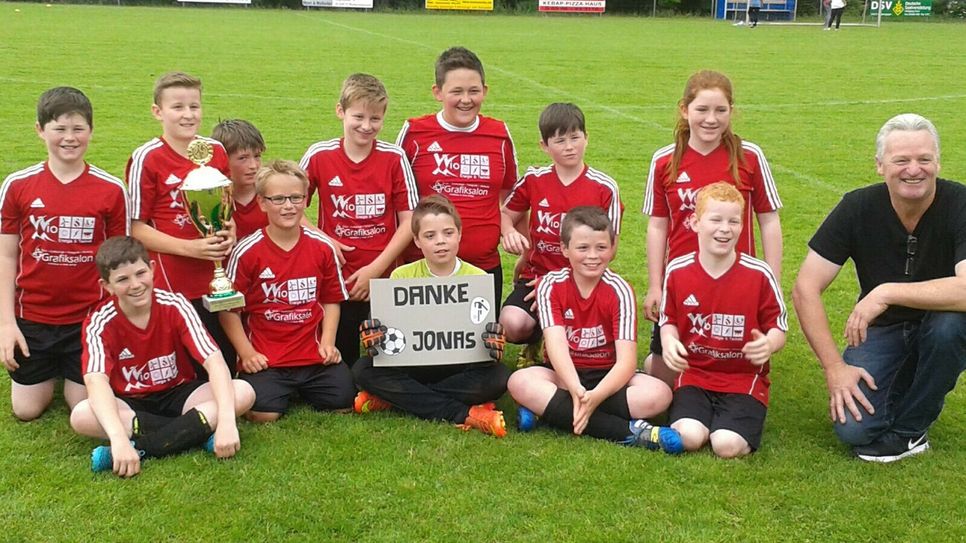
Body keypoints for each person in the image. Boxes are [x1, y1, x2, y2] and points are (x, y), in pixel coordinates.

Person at [793, 113, 966, 463]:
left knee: (948, 328)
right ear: (879, 165)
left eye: (924, 159)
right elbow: (805, 288)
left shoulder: (960, 203)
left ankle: (910, 432)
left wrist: (885, 292)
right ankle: (913, 381)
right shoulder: (857, 207)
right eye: (901, 160)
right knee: (853, 429)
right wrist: (834, 367)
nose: (913, 170)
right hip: (886, 329)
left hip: (943, 321)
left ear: (938, 162)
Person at [69, 236, 255, 477]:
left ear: (152, 269)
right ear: (107, 286)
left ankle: (143, 448)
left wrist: (228, 423)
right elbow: (96, 381)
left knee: (243, 391)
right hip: (132, 402)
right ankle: (197, 432)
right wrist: (118, 439)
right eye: (123, 279)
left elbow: (215, 362)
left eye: (140, 273)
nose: (135, 285)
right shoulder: (99, 321)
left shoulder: (175, 304)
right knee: (81, 415)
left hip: (179, 395)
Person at [642, 70, 782, 387]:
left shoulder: (749, 157)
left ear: (731, 111)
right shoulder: (664, 160)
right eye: (702, 109)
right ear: (684, 110)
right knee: (663, 379)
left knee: (733, 364)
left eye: (720, 110)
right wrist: (655, 285)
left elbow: (769, 220)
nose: (711, 119)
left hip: (737, 280)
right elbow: (658, 225)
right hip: (683, 280)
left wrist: (771, 279)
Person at [507, 207, 682, 453]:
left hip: (607, 377)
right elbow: (557, 348)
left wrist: (595, 396)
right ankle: (630, 432)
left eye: (601, 247)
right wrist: (576, 389)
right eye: (582, 248)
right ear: (565, 249)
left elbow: (627, 362)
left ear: (612, 248)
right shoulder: (550, 285)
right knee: (519, 381)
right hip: (564, 376)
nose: (592, 256)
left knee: (659, 394)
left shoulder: (619, 289)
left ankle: (549, 412)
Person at [1, 86, 129, 421]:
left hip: (87, 320)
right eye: (59, 128)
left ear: (91, 130)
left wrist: (119, 323)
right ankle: (49, 367)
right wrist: (6, 323)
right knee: (26, 409)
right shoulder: (18, 185)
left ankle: (74, 369)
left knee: (81, 403)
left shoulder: (111, 189)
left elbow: (120, 261)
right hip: (33, 317)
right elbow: (6, 256)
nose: (69, 138)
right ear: (40, 130)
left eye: (78, 129)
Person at [352, 195, 511, 437]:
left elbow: (485, 336)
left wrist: (493, 341)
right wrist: (375, 333)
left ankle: (395, 399)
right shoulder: (401, 276)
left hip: (459, 366)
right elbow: (385, 333)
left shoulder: (478, 278)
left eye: (448, 233)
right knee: (362, 369)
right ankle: (466, 413)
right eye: (430, 236)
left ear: (459, 234)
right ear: (416, 240)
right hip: (413, 364)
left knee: (498, 376)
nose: (440, 241)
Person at [221, 160, 355, 422]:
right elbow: (228, 309)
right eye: (278, 199)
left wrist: (328, 343)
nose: (288, 206)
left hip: (313, 357)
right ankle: (276, 390)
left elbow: (331, 300)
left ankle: (300, 388)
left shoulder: (322, 247)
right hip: (268, 359)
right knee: (263, 414)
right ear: (262, 203)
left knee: (343, 402)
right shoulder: (247, 252)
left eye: (296, 198)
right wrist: (247, 354)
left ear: (306, 200)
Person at [660, 183, 787, 458]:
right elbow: (668, 320)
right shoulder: (677, 270)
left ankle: (733, 422)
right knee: (689, 437)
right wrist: (669, 341)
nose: (725, 229)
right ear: (695, 223)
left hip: (743, 378)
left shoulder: (759, 274)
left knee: (726, 445)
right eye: (716, 220)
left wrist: (768, 343)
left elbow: (778, 327)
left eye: (734, 221)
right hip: (695, 374)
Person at [299, 73, 417, 367]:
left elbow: (410, 221)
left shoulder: (394, 157)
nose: (366, 126)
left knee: (393, 357)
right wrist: (323, 239)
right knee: (342, 359)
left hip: (384, 275)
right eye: (359, 117)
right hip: (337, 276)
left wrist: (376, 270)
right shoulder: (319, 155)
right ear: (340, 111)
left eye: (375, 118)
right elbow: (288, 206)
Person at [126, 71, 237, 373]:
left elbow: (227, 209)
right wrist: (191, 248)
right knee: (185, 369)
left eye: (194, 106)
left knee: (224, 362)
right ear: (158, 111)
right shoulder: (147, 157)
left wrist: (230, 231)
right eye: (178, 107)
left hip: (216, 278)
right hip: (172, 282)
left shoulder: (215, 151)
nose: (188, 114)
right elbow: (134, 228)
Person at [499, 103, 622, 366]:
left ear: (586, 138)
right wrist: (508, 232)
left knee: (583, 342)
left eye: (575, 138)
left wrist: (558, 285)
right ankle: (536, 339)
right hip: (536, 277)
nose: (569, 147)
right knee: (512, 323)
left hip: (586, 279)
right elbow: (505, 214)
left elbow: (610, 248)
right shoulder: (535, 179)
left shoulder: (604, 187)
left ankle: (561, 348)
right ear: (544, 146)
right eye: (560, 140)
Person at [396, 46, 518, 304]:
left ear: (485, 90)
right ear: (438, 92)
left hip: (483, 267)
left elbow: (511, 197)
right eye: (456, 91)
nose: (466, 99)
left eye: (473, 91)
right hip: (423, 266)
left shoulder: (498, 134)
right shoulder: (415, 132)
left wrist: (517, 241)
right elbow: (397, 197)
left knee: (483, 331)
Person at [212, 119, 268, 240]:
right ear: (222, 160)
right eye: (243, 158)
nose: (253, 165)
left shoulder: (272, 195)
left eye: (257, 156)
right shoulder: (212, 201)